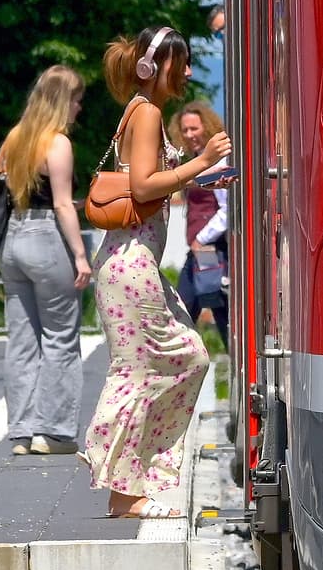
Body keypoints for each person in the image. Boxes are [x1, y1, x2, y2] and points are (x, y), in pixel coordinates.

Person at [81, 27, 222, 517]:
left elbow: (151, 180)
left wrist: (205, 172)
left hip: (133, 262)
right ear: (156, 66)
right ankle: (124, 490)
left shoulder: (141, 111)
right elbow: (143, 187)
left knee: (189, 357)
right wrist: (201, 161)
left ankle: (132, 476)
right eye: (181, 63)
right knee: (140, 370)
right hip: (130, 262)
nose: (188, 72)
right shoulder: (148, 113)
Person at [0, 64, 91, 456]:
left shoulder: (15, 138)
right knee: (60, 337)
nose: (79, 108)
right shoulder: (58, 143)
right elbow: (61, 204)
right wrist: (80, 255)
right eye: (77, 100)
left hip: (13, 239)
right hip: (47, 240)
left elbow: (16, 190)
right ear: (62, 101)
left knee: (21, 341)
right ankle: (53, 433)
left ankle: (21, 432)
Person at [169, 99, 232, 333]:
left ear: (207, 126)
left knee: (189, 310)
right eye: (184, 130)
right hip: (201, 250)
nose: (189, 134)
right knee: (194, 310)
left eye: (194, 128)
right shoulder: (197, 162)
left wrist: (201, 238)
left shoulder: (219, 161)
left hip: (212, 248)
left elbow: (227, 209)